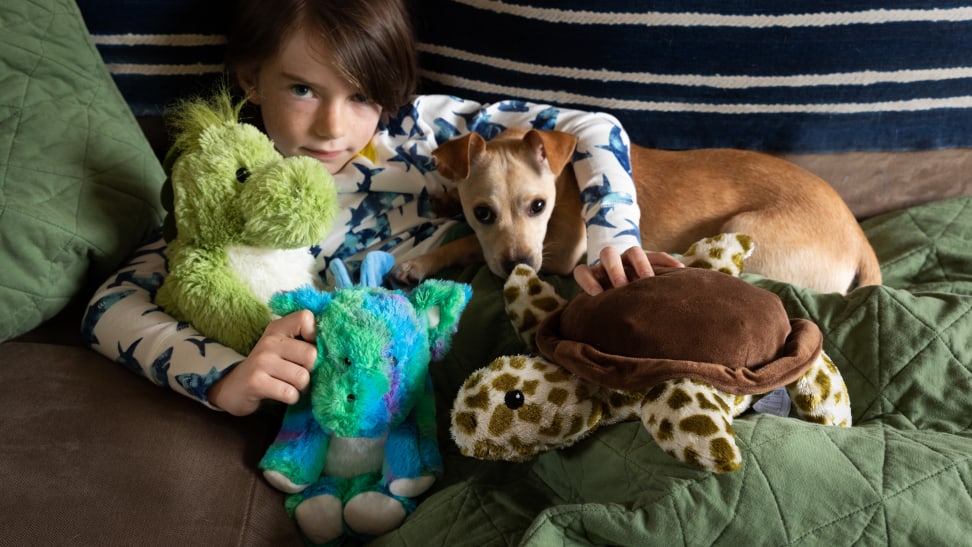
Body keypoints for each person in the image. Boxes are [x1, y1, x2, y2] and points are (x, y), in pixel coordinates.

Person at [82, 0, 681, 416]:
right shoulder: (232, 187)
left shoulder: (422, 126)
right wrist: (220, 380)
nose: (333, 126)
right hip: (411, 375)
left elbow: (590, 125)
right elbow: (111, 306)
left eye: (361, 94)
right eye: (302, 89)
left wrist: (614, 239)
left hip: (529, 311)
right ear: (249, 80)